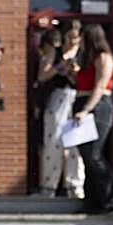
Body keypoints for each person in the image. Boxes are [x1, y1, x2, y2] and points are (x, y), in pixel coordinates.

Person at [72, 23, 113, 214]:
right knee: (86, 156)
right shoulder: (87, 59)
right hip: (82, 103)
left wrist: (86, 110)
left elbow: (100, 87)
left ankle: (111, 197)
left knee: (94, 154)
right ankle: (92, 202)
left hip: (97, 107)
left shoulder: (104, 57)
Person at [36, 20, 85, 199]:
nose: (73, 41)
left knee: (75, 143)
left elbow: (87, 78)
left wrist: (76, 71)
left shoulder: (83, 54)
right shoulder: (55, 52)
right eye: (70, 37)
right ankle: (49, 186)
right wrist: (61, 65)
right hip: (57, 97)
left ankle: (75, 185)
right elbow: (42, 75)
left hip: (77, 98)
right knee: (53, 141)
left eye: (76, 37)